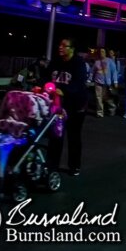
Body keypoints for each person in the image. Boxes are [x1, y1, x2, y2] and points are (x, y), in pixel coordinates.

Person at [47, 38, 88, 176]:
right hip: (57, 106)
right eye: (60, 44)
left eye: (64, 46)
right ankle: (52, 165)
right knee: (55, 135)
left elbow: (79, 84)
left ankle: (74, 166)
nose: (60, 47)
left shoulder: (79, 63)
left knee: (74, 136)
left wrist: (64, 90)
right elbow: (46, 77)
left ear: (72, 49)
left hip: (75, 106)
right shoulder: (55, 62)